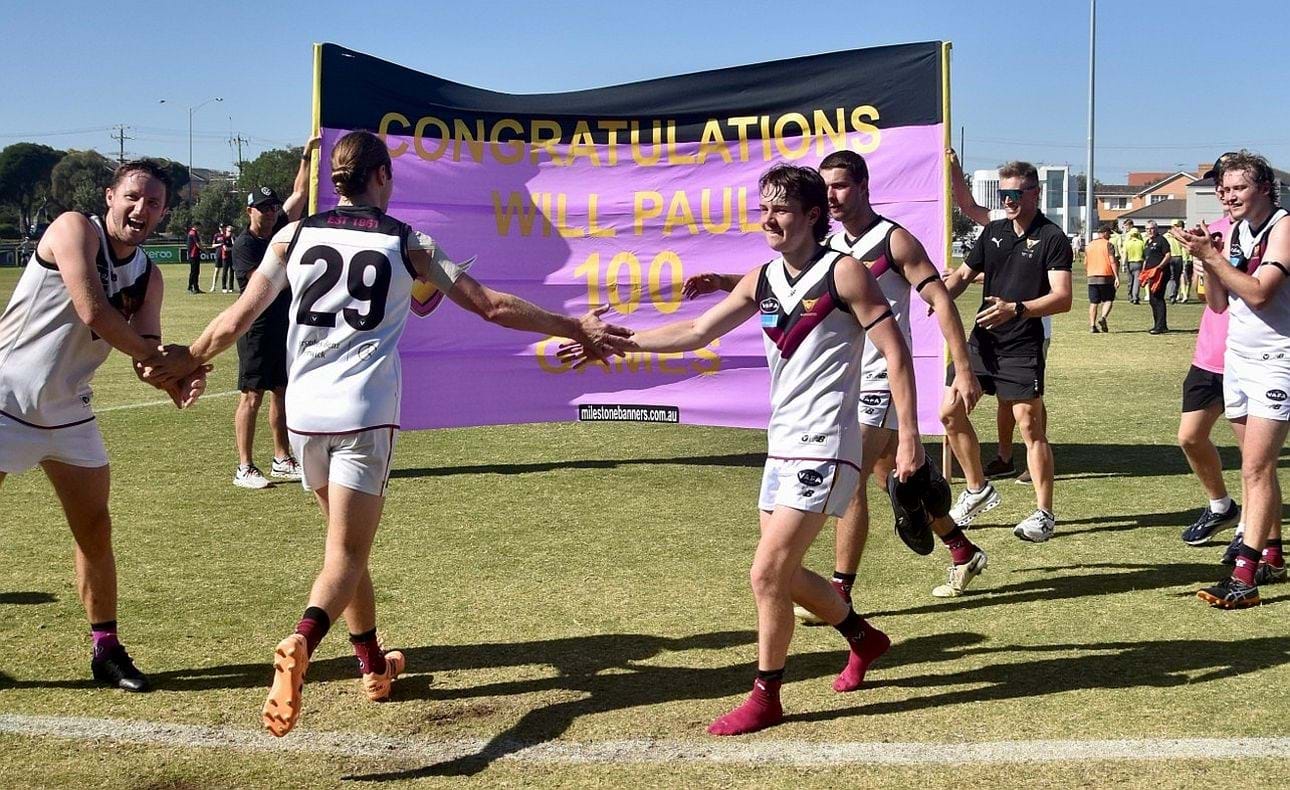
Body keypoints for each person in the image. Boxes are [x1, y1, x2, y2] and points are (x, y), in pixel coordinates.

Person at [163, 130, 632, 736]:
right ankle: (302, 640)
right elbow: (489, 305)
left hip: (304, 412)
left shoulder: (292, 234)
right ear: (382, 175)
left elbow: (237, 317)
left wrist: (189, 360)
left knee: (344, 548)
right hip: (364, 411)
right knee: (345, 554)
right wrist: (574, 326)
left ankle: (372, 665)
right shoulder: (408, 242)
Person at [567, 163, 923, 736]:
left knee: (766, 573)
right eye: (764, 209)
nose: (768, 219)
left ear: (812, 215)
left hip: (827, 443)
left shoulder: (846, 272)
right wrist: (619, 343)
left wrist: (909, 439)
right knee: (788, 574)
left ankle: (766, 697)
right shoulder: (762, 279)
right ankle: (863, 637)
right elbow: (696, 332)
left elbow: (897, 352)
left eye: (780, 209)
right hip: (781, 444)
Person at [684, 150, 985, 603]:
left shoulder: (893, 241)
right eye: (825, 187)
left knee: (849, 480)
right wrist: (724, 281)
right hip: (843, 382)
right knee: (890, 474)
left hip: (882, 380)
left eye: (840, 185)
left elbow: (940, 298)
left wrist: (962, 369)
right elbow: (791, 286)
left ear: (863, 186)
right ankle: (961, 549)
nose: (831, 195)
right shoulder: (829, 249)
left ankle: (840, 590)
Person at [0, 160, 207, 693]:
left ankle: (106, 651)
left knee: (94, 530)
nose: (142, 209)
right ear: (110, 196)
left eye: (154, 203)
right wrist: (168, 360)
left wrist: (171, 378)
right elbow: (93, 310)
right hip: (5, 401)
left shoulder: (149, 275)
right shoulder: (74, 228)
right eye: (133, 196)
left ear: (164, 213)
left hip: (69, 412)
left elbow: (144, 355)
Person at [1173, 150, 1290, 608]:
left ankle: (1244, 578)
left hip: (1275, 360)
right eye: (1223, 189)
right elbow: (1220, 304)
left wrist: (1213, 258)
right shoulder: (1236, 231)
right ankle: (1272, 557)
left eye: (1238, 187)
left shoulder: (1283, 227)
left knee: (1256, 469)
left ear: (1263, 188)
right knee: (1254, 468)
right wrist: (1207, 262)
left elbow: (1260, 294)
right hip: (1237, 359)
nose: (1228, 195)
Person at [941, 161, 1073, 542]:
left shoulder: (1052, 238)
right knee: (949, 411)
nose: (1008, 201)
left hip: (1022, 344)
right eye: (1003, 195)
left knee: (1029, 426)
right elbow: (963, 275)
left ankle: (1044, 515)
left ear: (1034, 194)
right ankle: (977, 489)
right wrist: (935, 298)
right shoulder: (994, 231)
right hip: (983, 342)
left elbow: (1063, 297)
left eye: (1015, 194)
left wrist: (1016, 309)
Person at [1086, 225, 1120, 333]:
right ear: (1105, 233)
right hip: (1106, 276)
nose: (1110, 236)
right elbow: (1112, 261)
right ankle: (1103, 317)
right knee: (1108, 300)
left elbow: (1086, 262)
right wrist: (1116, 276)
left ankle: (1092, 325)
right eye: (1109, 234)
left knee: (1093, 302)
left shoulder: (1089, 245)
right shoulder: (1108, 244)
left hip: (1091, 276)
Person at [1141, 220, 1173, 333]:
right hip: (1151, 274)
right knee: (1152, 299)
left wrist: (1159, 267)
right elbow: (1146, 259)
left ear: (1156, 229)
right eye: (1147, 229)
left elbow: (1168, 255)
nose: (1149, 231)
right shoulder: (1147, 242)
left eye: (1152, 228)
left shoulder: (1161, 240)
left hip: (1161, 273)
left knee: (1157, 297)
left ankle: (1160, 326)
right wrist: (1144, 272)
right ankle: (1158, 324)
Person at [1167, 219, 1189, 303]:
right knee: (1174, 277)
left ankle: (1173, 294)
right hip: (1176, 257)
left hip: (1174, 257)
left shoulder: (1167, 236)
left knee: (1174, 277)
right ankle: (1173, 294)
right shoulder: (1180, 236)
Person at [1123, 222, 1145, 304]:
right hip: (1139, 263)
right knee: (1136, 281)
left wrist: (1123, 264)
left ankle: (1130, 296)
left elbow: (1125, 254)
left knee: (1130, 281)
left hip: (1129, 263)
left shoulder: (1127, 243)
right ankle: (1135, 297)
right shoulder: (1141, 243)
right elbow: (1144, 254)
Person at [211, 223, 235, 293]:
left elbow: (235, 246)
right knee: (219, 270)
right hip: (221, 255)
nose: (222, 228)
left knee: (231, 272)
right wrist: (232, 248)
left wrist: (232, 240)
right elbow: (224, 248)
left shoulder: (231, 237)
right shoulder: (218, 236)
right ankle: (215, 286)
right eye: (221, 227)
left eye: (223, 227)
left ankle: (231, 287)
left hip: (231, 256)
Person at [185, 223, 203, 293]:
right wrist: (205, 250)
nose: (200, 228)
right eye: (199, 226)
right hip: (193, 255)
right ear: (196, 226)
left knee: (196, 272)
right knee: (193, 272)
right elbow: (198, 244)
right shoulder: (193, 233)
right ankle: (190, 288)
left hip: (195, 255)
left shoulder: (192, 232)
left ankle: (196, 288)